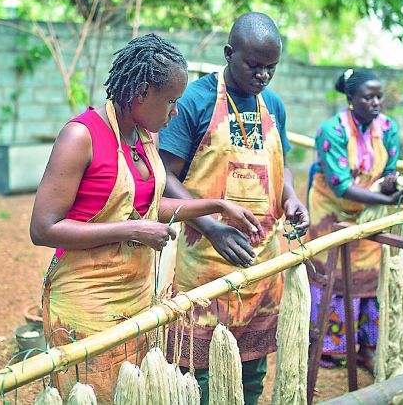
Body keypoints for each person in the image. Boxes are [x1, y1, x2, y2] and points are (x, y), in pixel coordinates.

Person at [30, 33, 260, 403]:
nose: (175, 112)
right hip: (88, 304)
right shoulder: (81, 136)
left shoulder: (143, 136)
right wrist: (132, 230)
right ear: (140, 93)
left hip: (135, 297)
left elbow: (151, 207)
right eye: (170, 101)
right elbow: (43, 228)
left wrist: (216, 207)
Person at [158, 12, 310, 405]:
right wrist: (211, 226)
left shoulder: (273, 104)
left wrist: (291, 198)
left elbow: (282, 168)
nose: (262, 76)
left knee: (251, 371)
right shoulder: (196, 100)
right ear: (229, 54)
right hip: (207, 258)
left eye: (270, 68)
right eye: (254, 65)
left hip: (262, 262)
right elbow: (166, 176)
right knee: (200, 374)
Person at [304, 68, 401, 371]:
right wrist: (385, 199)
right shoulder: (331, 131)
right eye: (368, 97)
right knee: (332, 272)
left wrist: (390, 186)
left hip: (369, 215)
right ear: (350, 98)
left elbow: (389, 171)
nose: (376, 103)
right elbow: (341, 184)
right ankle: (329, 348)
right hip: (332, 211)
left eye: (379, 97)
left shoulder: (388, 128)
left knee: (369, 279)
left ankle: (366, 348)